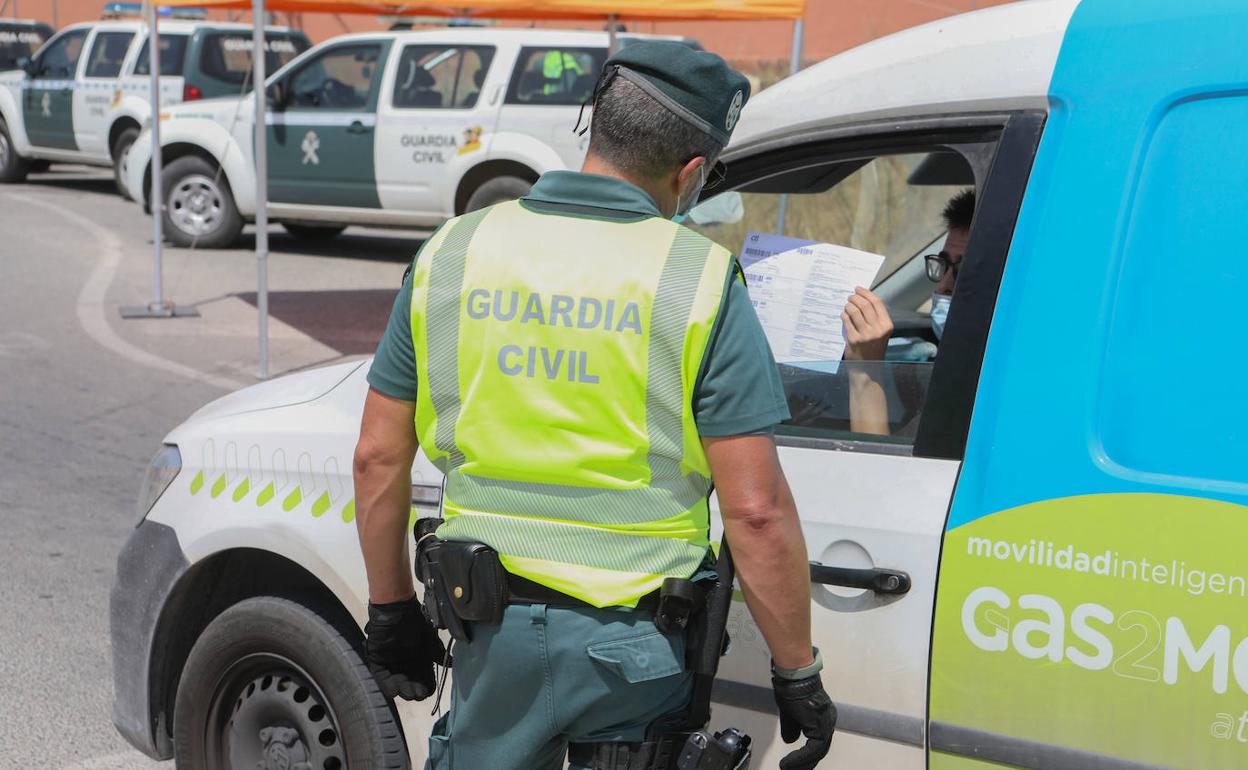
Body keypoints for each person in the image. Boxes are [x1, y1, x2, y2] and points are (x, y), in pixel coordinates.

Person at [353, 41, 835, 770]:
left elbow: (377, 456)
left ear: (594, 128)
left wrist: (390, 614)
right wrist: (796, 670)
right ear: (692, 173)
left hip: (489, 635)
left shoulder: (454, 250)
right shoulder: (698, 279)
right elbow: (757, 510)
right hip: (634, 655)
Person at [841, 189, 974, 436]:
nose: (944, 285)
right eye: (943, 264)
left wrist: (864, 371)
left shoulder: (982, 391)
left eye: (963, 270)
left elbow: (876, 471)